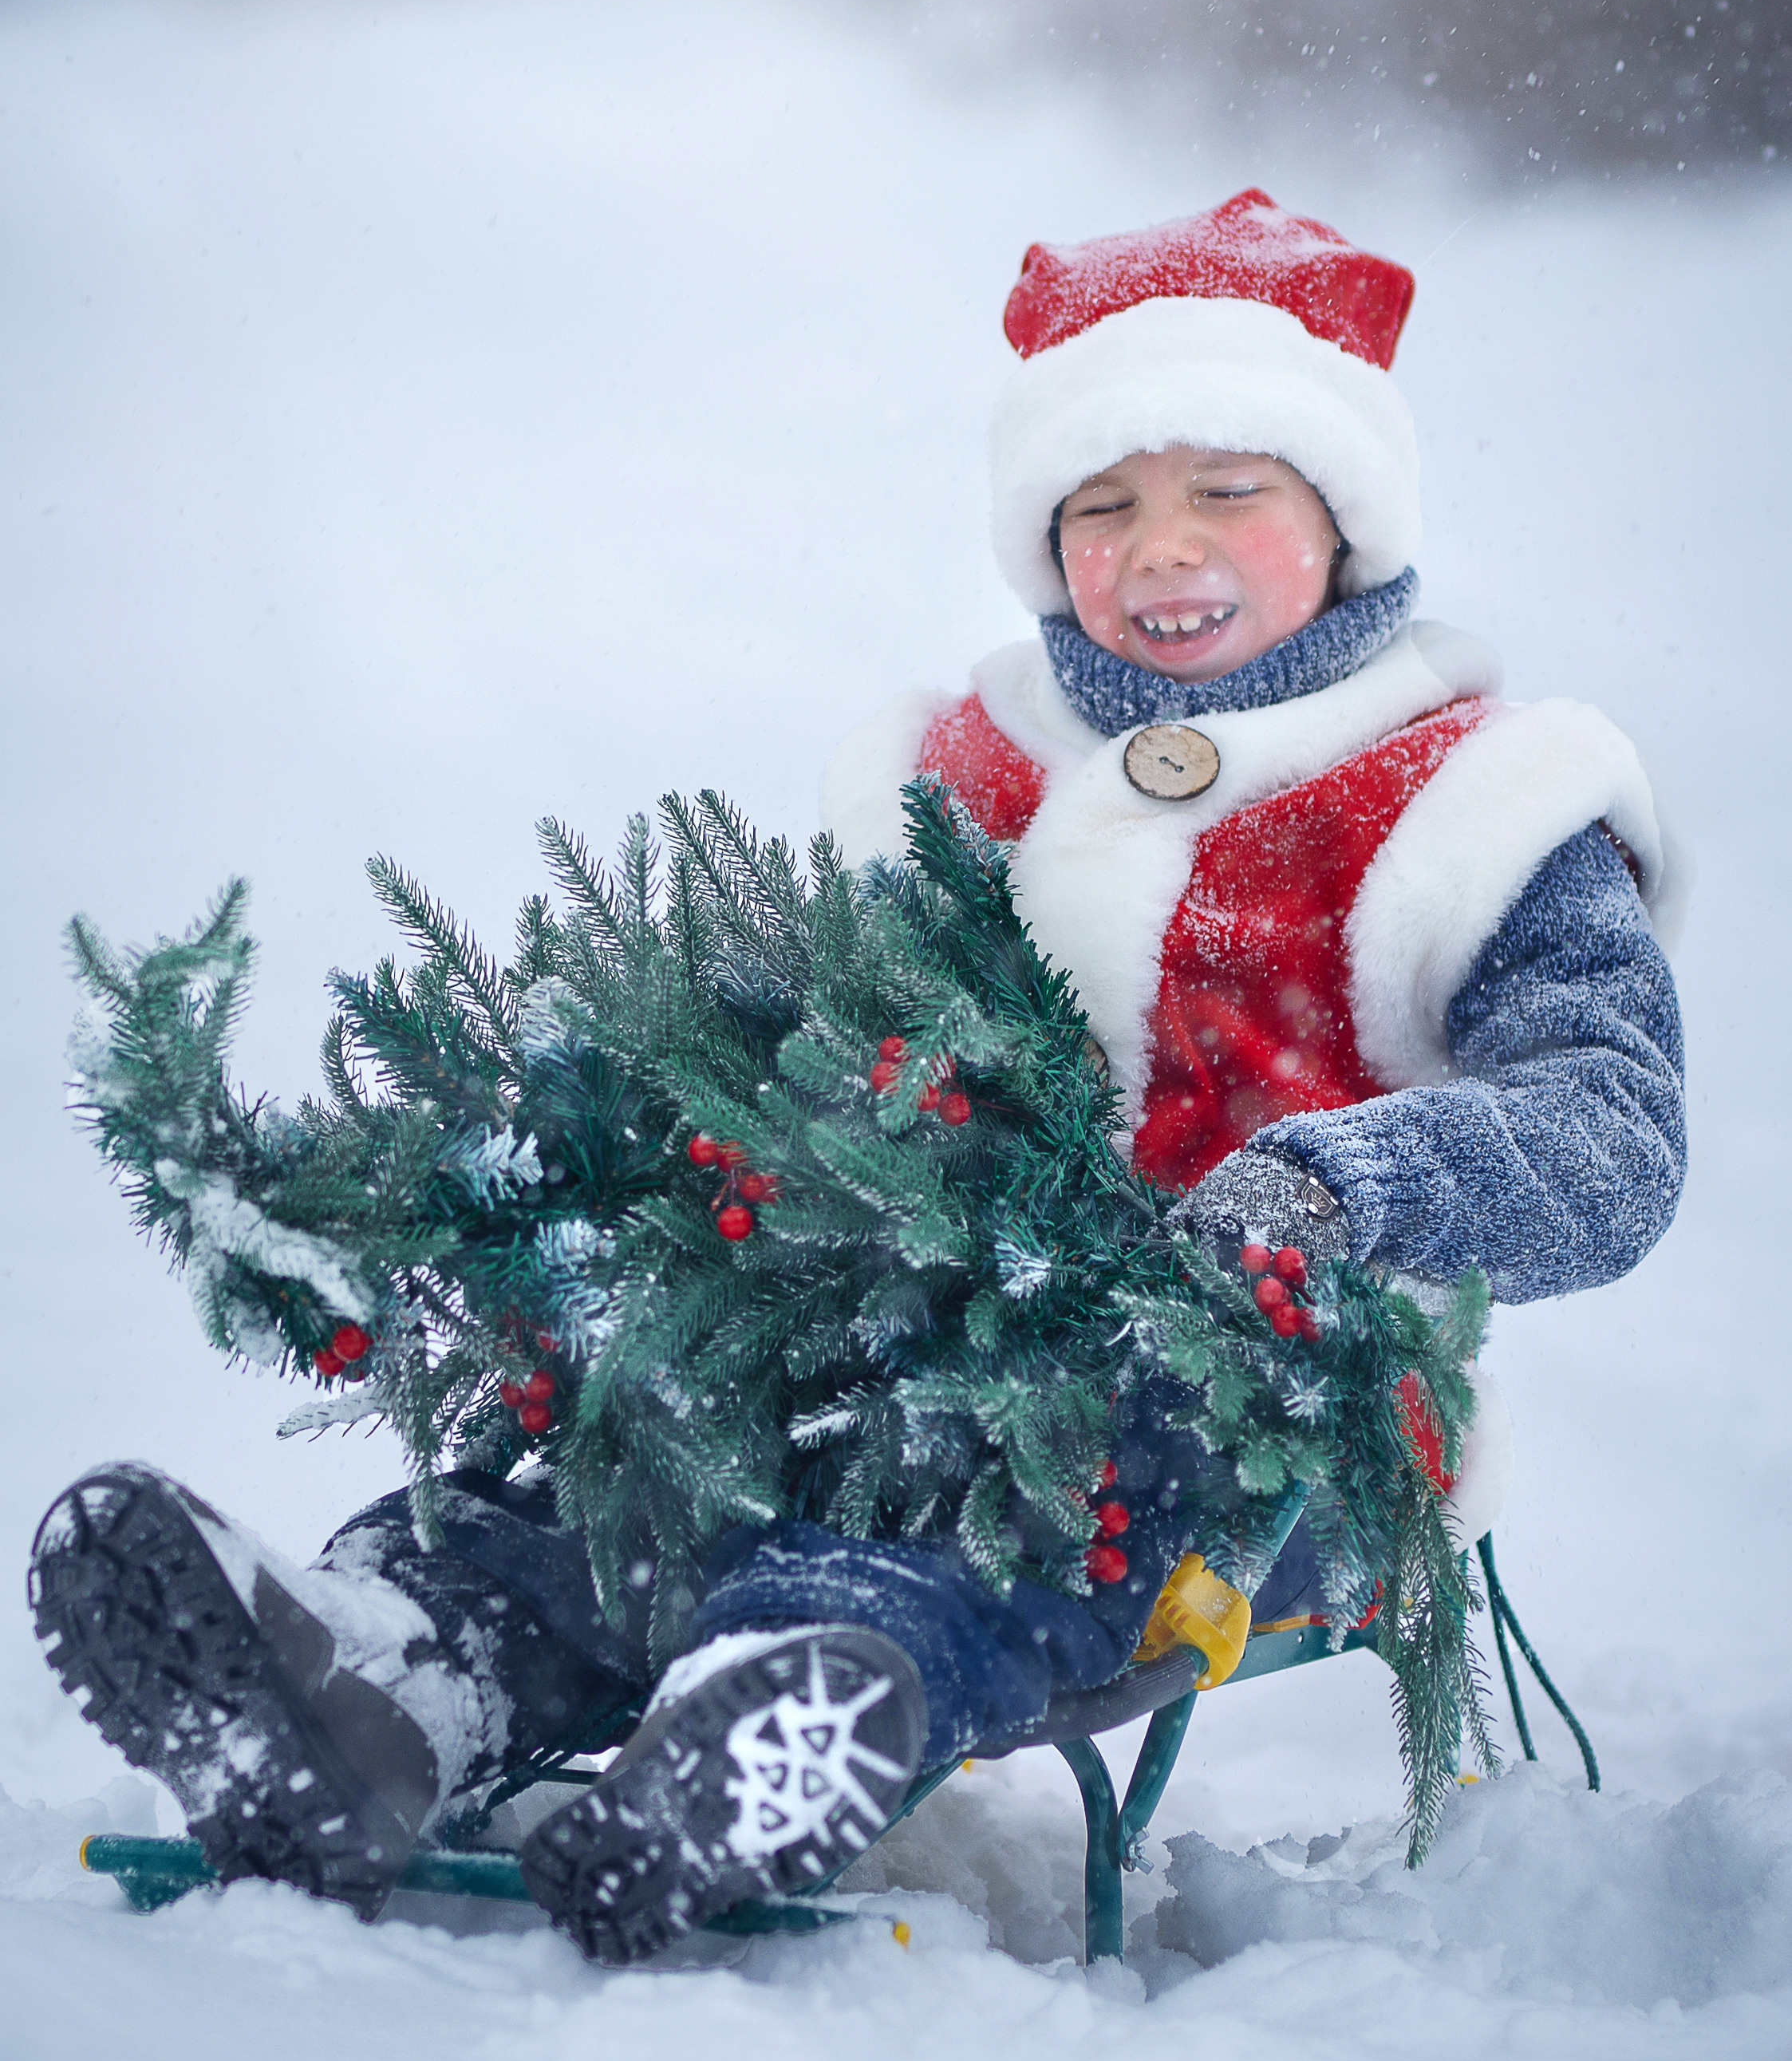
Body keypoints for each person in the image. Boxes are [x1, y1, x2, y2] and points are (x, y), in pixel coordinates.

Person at [30, 191, 1685, 1964]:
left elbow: (1610, 1119)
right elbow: (826, 1040)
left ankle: (788, 1706)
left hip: (1282, 1405)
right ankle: (376, 1678)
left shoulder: (1464, 799)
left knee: (1056, 1462)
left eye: (1228, 491)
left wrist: (1343, 1189)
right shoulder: (968, 774)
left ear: (1340, 520)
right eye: (1102, 505)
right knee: (654, 1416)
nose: (1158, 545)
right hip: (907, 1328)